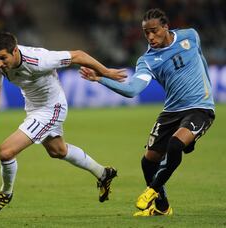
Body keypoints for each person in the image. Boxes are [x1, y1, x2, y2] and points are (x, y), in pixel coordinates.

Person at [80, 8, 215, 216]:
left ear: (165, 27)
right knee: (148, 161)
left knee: (175, 145)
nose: (150, 37)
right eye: (146, 33)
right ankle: (162, 207)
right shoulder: (147, 61)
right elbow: (132, 90)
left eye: (154, 31)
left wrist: (208, 95)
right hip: (172, 111)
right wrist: (100, 78)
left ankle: (152, 190)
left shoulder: (190, 35)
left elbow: (200, 58)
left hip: (200, 107)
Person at [0, 32, 126, 213]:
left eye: (3, 58)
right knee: (58, 151)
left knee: (6, 151)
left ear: (15, 51)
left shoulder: (40, 59)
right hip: (33, 107)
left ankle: (5, 193)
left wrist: (105, 72)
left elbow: (78, 55)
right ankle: (103, 173)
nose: (0, 64)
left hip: (52, 107)